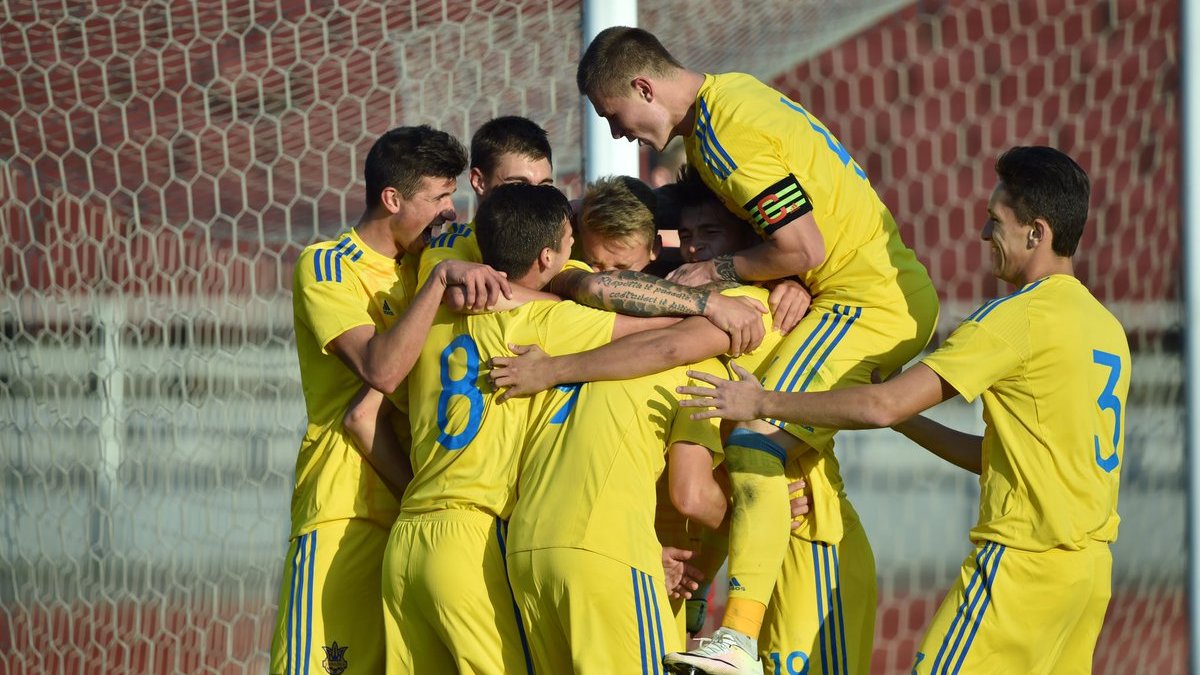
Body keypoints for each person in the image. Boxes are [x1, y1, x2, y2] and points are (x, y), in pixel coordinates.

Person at [678, 146, 1128, 675]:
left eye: (995, 220)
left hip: (1022, 566)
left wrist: (763, 402)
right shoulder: (1105, 328)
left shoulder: (1018, 317)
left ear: (1037, 233)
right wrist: (908, 419)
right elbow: (999, 456)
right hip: (1088, 578)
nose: (984, 234)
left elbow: (882, 406)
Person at [578, 26, 940, 674]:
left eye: (614, 115)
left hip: (868, 303)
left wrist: (720, 275)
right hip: (855, 294)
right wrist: (780, 276)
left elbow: (802, 246)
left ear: (643, 87)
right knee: (759, 435)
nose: (617, 133)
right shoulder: (732, 100)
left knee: (754, 433)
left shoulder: (726, 132)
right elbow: (796, 241)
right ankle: (732, 621)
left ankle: (738, 636)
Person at [382, 182, 712, 673]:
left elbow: (366, 410)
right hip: (476, 537)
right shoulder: (548, 321)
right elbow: (669, 335)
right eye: (573, 249)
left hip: (407, 536)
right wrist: (712, 302)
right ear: (548, 258)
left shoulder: (431, 307)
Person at [269, 125, 510, 675]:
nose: (450, 211)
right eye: (438, 197)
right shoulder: (328, 265)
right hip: (346, 512)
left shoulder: (433, 256)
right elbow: (381, 368)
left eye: (453, 195)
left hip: (422, 524)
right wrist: (438, 282)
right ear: (392, 199)